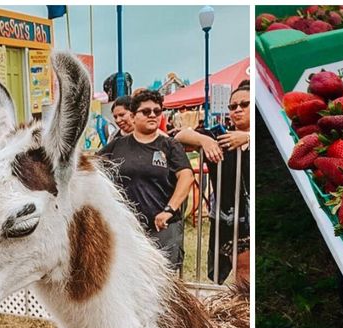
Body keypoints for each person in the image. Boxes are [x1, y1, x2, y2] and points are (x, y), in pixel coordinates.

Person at [98, 90, 193, 270]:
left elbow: (186, 176)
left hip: (163, 227)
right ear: (134, 116)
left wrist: (169, 210)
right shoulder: (116, 146)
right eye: (146, 111)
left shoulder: (169, 146)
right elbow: (92, 169)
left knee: (163, 284)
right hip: (128, 229)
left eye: (157, 111)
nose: (152, 115)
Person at [175, 80, 251, 285]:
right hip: (231, 217)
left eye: (245, 104)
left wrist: (247, 138)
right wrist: (205, 141)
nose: (238, 110)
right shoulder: (219, 136)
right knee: (243, 268)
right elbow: (180, 135)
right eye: (232, 106)